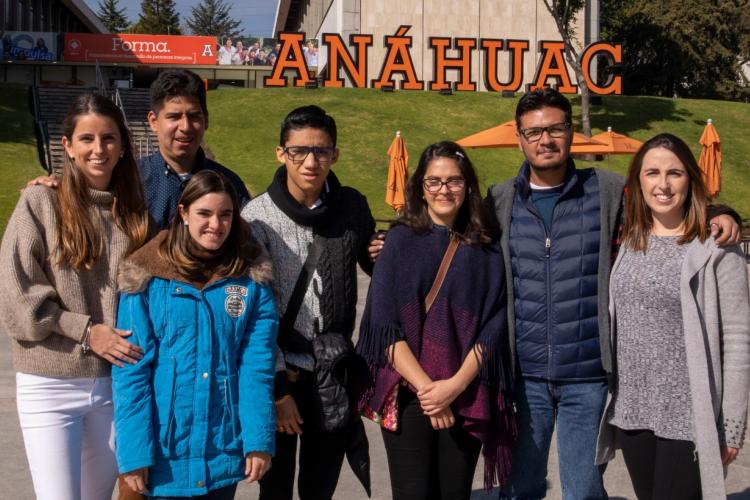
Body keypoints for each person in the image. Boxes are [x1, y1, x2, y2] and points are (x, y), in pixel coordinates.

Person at [486, 88, 741, 500]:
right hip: (524, 377)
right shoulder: (501, 199)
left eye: (555, 128)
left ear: (571, 133)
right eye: (533, 132)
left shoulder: (604, 190)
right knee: (519, 490)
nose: (545, 139)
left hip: (587, 377)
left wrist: (719, 212)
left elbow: (664, 202)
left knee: (583, 491)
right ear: (519, 138)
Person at [0, 93, 150, 500]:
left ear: (122, 146)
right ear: (66, 146)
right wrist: (87, 332)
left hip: (113, 382)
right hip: (50, 381)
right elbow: (18, 301)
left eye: (108, 139)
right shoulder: (39, 201)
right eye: (86, 139)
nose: (98, 150)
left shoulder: (136, 215)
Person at [357, 142, 515, 500]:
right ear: (420, 188)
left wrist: (453, 386)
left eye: (454, 181)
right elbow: (383, 326)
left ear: (468, 186)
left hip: (465, 391)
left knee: (454, 493)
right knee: (412, 493)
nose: (444, 190)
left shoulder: (487, 248)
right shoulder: (398, 241)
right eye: (434, 182)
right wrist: (430, 390)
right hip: (410, 393)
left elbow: (494, 324)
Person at [595, 133, 750, 500]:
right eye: (652, 173)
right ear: (638, 182)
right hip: (633, 411)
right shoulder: (630, 240)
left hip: (689, 418)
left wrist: (731, 427)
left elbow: (739, 339)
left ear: (691, 180)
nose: (662, 184)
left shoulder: (716, 248)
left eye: (674, 173)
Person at [112, 170, 279, 498]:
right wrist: (134, 453)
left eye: (225, 215)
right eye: (204, 213)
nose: (215, 225)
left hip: (222, 448)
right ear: (183, 213)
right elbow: (131, 370)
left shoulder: (250, 281)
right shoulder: (146, 278)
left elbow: (256, 368)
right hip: (163, 453)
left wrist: (258, 440)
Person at [241, 105, 377, 500]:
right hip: (284, 373)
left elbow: (374, 264)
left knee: (321, 486)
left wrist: (385, 249)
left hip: (333, 371)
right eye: (299, 151)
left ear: (335, 154)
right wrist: (279, 389)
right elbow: (256, 317)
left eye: (321, 151)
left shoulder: (352, 206)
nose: (310, 161)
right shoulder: (258, 218)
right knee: (276, 489)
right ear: (281, 153)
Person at [30, 69, 251, 231]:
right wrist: (54, 187)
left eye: (194, 116)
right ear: (153, 121)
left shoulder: (230, 184)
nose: (185, 127)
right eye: (173, 116)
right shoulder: (126, 178)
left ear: (206, 120)